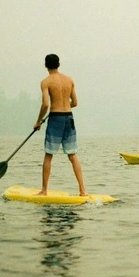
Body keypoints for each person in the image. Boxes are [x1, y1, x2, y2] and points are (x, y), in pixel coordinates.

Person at [34, 54, 86, 196]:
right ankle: (82, 190)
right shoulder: (69, 80)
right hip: (68, 118)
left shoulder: (46, 82)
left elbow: (45, 104)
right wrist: (64, 107)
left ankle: (44, 191)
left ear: (46, 65)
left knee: (49, 154)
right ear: (59, 64)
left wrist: (38, 121)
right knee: (72, 155)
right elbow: (74, 102)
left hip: (55, 118)